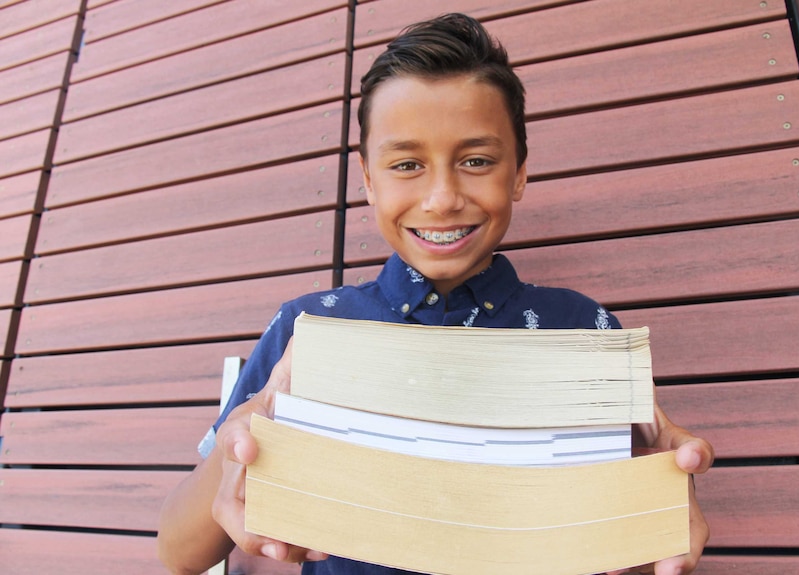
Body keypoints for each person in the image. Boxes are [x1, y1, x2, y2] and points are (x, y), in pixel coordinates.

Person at [158, 13, 713, 575]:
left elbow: (621, 544)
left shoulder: (582, 329)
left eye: (476, 161)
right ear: (369, 180)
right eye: (407, 165)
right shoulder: (309, 331)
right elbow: (178, 553)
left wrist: (657, 504)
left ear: (519, 171)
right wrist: (243, 443)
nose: (443, 198)